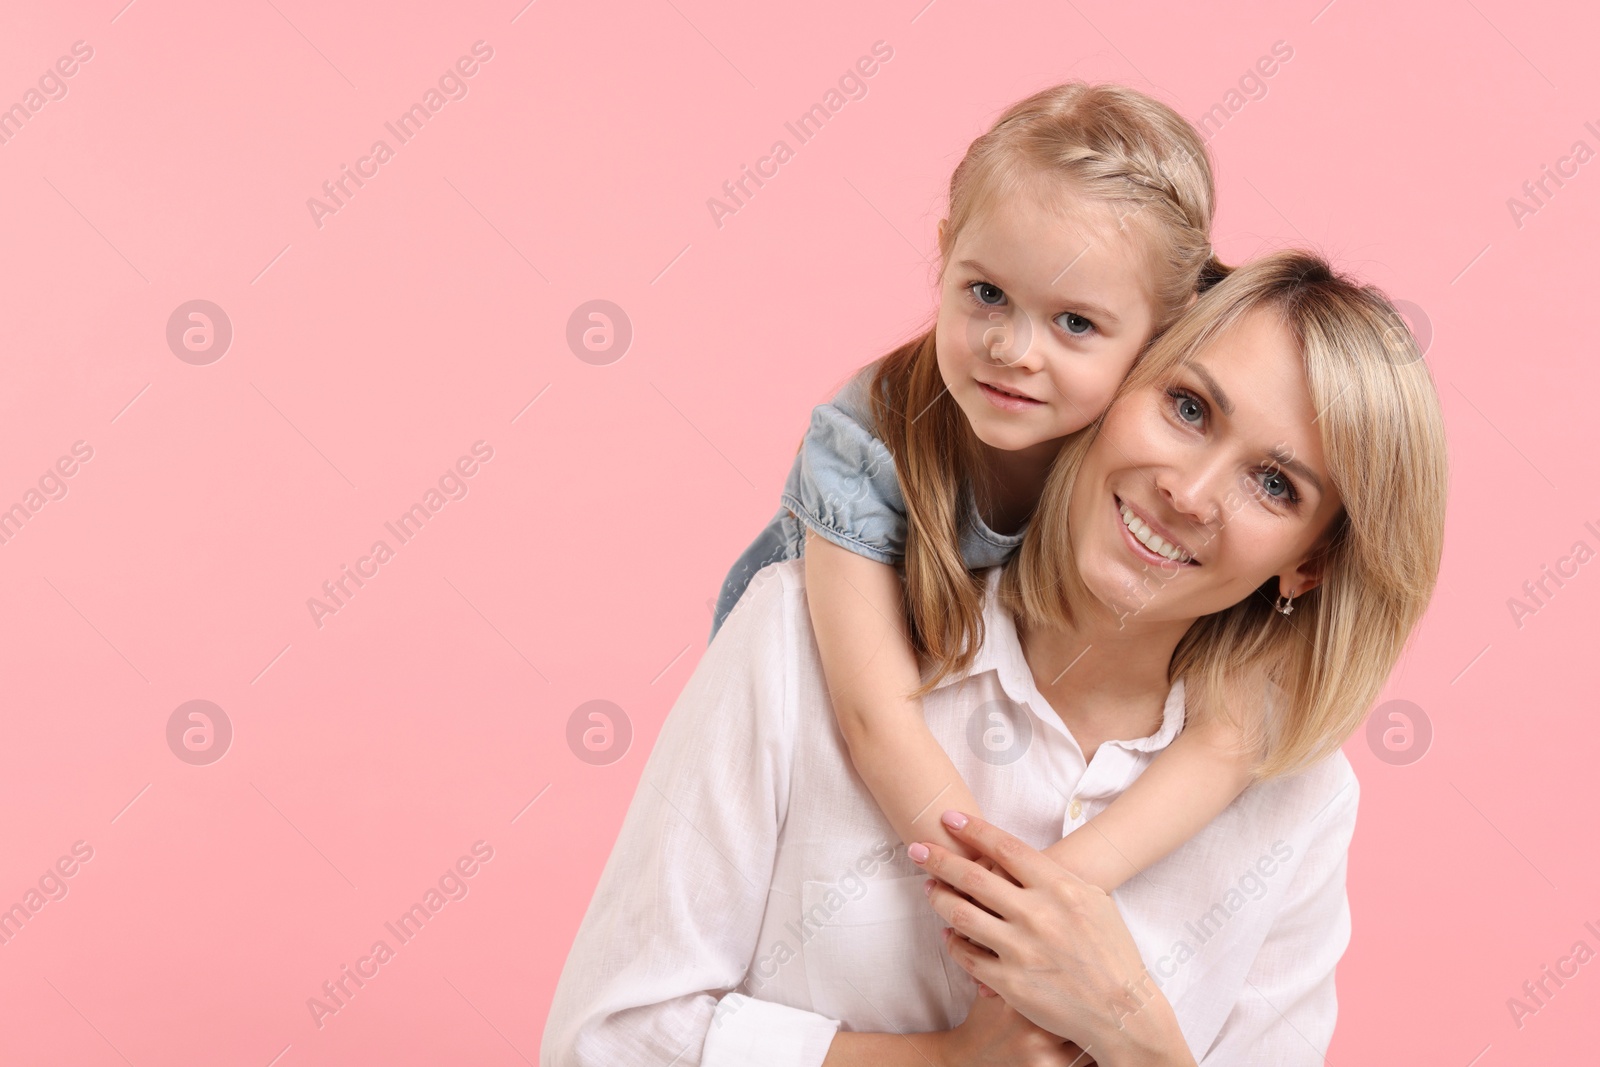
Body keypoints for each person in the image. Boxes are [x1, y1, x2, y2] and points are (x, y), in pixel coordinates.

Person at [541, 251, 1449, 1065]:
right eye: (1188, 406)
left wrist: (1133, 1031)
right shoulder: (797, 638)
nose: (1189, 491)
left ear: (1310, 560)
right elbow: (603, 1042)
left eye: (1275, 484)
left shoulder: (1297, 801)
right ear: (1117, 385)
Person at [710, 81, 1264, 908]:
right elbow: (873, 721)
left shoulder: (1139, 449)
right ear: (944, 252)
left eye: (1074, 323)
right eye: (986, 293)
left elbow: (1233, 732)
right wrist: (995, 900)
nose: (1013, 349)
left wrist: (1062, 896)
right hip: (818, 729)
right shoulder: (868, 444)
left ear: (1165, 330)